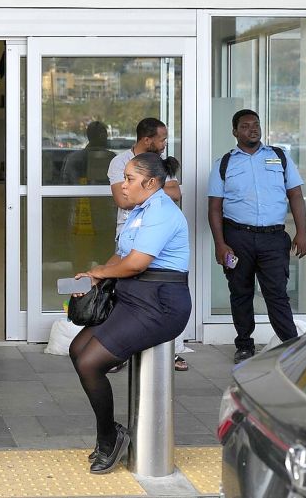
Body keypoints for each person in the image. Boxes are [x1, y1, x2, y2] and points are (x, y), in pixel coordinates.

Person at [69, 152, 191, 475]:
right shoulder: (139, 211)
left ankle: (109, 438)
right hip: (133, 298)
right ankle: (111, 433)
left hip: (160, 305)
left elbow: (137, 263)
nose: (123, 186)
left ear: (151, 183)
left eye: (129, 179)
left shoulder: (161, 210)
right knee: (77, 349)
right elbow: (122, 255)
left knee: (90, 362)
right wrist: (95, 275)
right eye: (124, 178)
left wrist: (102, 272)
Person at [207, 109, 306, 364]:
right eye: (245, 126)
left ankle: (291, 346)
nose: (252, 129)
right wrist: (220, 244)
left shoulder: (279, 157)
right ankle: (244, 345)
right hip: (237, 237)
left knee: (277, 293)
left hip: (273, 238)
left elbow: (296, 195)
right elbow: (215, 208)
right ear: (235, 132)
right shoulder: (224, 163)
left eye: (256, 125)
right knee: (240, 292)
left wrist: (302, 232)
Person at [107, 117, 187, 372]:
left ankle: (169, 351)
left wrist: (151, 194)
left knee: (154, 301)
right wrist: (157, 191)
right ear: (147, 139)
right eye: (162, 139)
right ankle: (121, 349)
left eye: (131, 179)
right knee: (126, 292)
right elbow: (122, 200)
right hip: (129, 232)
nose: (164, 144)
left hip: (156, 240)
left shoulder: (159, 172)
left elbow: (175, 193)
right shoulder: (120, 161)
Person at [61, 120, 115, 185]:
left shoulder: (73, 158)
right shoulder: (112, 158)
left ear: (88, 136)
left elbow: (67, 183)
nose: (106, 138)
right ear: (102, 136)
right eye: (106, 135)